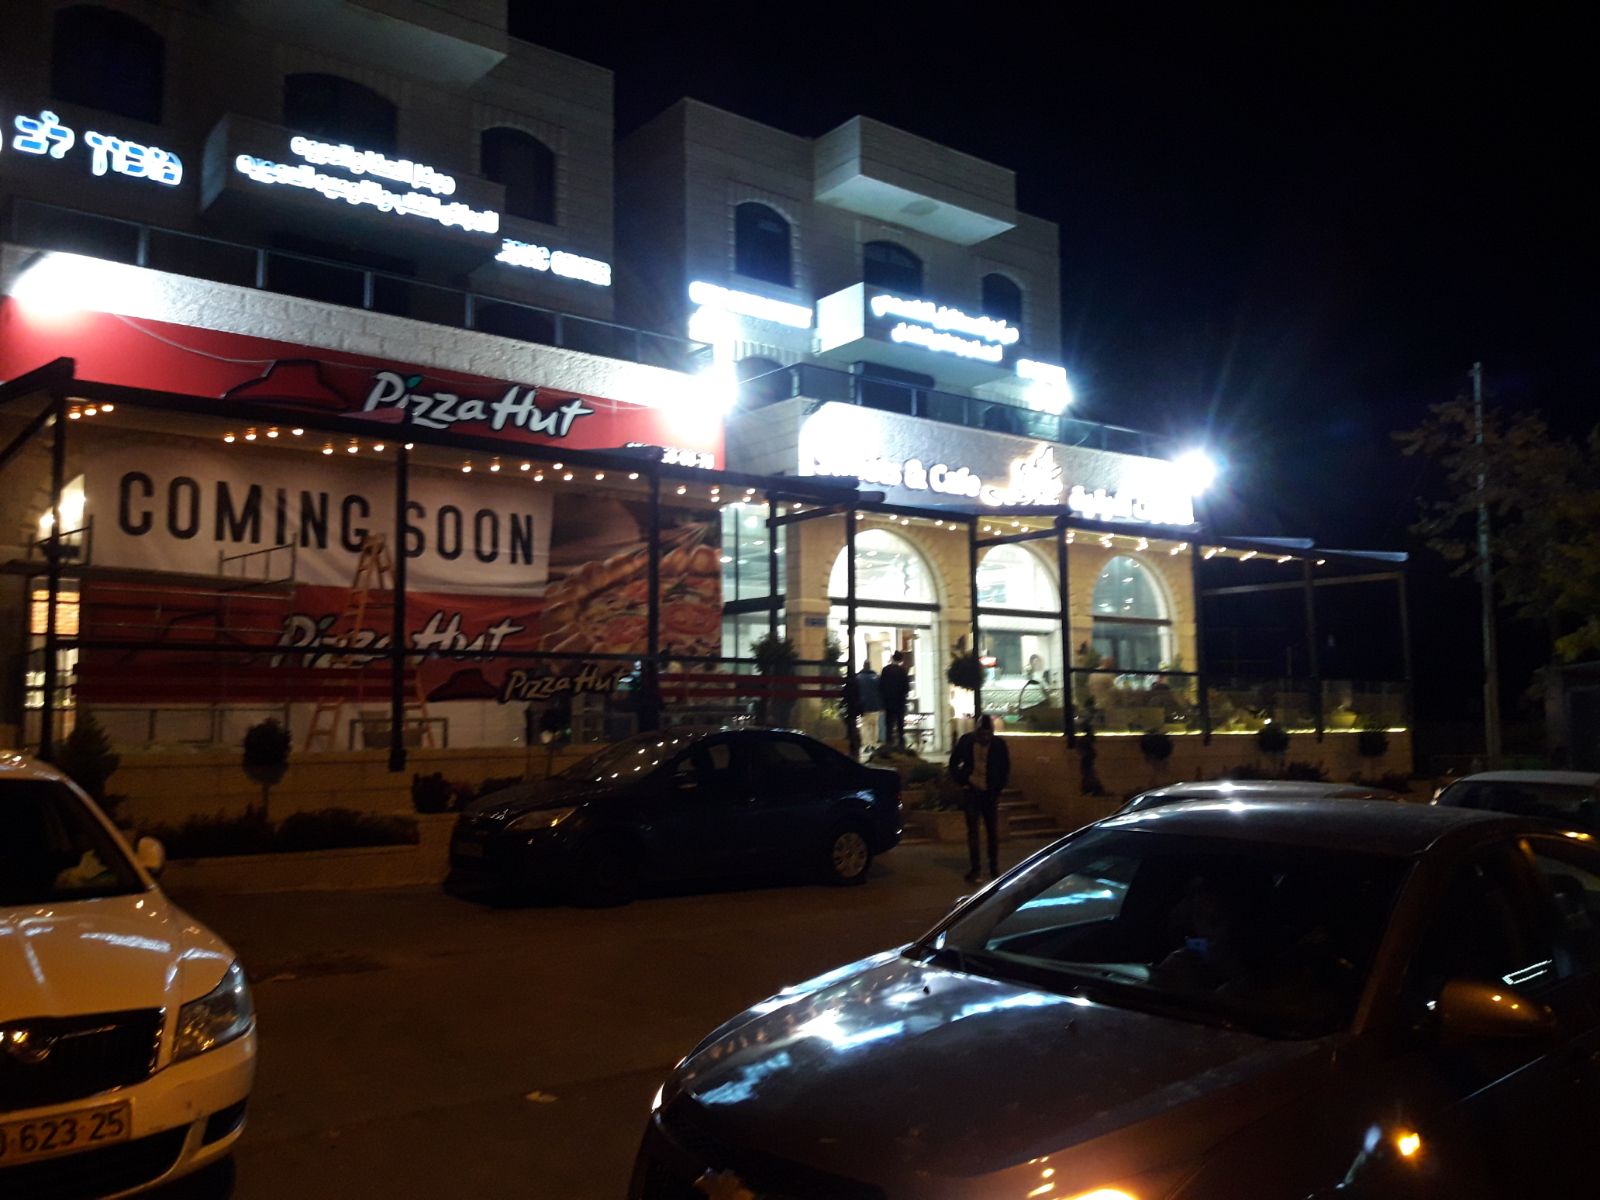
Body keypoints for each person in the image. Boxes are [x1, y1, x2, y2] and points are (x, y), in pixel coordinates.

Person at [949, 714, 1010, 883]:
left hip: (989, 793)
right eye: (983, 734)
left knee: (991, 831)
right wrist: (964, 780)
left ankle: (993, 867)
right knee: (973, 832)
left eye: (988, 734)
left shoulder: (998, 745)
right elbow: (954, 763)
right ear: (977, 732)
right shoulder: (967, 742)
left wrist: (997, 789)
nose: (985, 738)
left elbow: (1005, 769)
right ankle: (975, 869)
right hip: (972, 791)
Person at [879, 651, 911, 747]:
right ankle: (901, 744)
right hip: (900, 702)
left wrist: (883, 700)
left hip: (888, 702)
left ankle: (889, 744)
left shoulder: (885, 670)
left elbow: (881, 686)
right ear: (901, 660)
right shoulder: (903, 671)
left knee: (889, 725)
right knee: (900, 724)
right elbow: (906, 688)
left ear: (892, 658)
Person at [856, 662, 883, 750]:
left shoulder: (858, 678)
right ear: (870, 667)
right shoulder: (876, 678)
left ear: (863, 666)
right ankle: (873, 744)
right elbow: (881, 692)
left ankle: (866, 744)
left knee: (865, 725)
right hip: (875, 705)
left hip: (863, 706)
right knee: (874, 726)